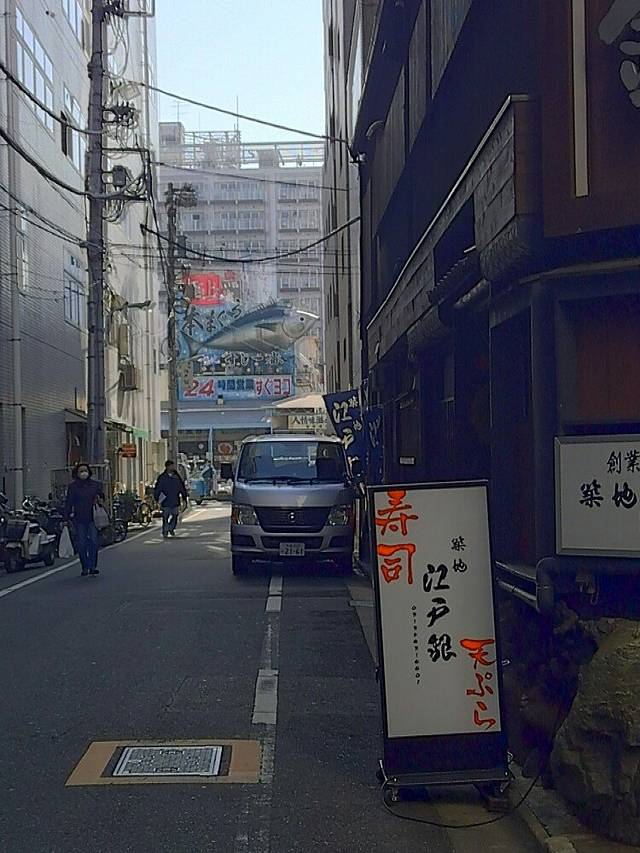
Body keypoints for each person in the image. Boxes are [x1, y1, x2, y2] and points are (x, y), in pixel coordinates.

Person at [64, 463, 104, 577]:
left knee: (94, 542)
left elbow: (102, 496)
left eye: (85, 470)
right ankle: (85, 566)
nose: (83, 473)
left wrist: (99, 499)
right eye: (81, 471)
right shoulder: (73, 487)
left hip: (93, 517)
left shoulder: (95, 485)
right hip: (79, 518)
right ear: (77, 473)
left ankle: (92, 566)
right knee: (81, 544)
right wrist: (65, 518)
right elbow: (69, 503)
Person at [154, 460, 188, 538]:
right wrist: (157, 497)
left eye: (172, 466)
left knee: (175, 515)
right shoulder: (162, 477)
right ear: (167, 467)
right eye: (170, 466)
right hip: (165, 500)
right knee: (165, 516)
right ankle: (165, 530)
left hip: (175, 499)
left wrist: (184, 496)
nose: (172, 467)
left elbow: (181, 487)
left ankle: (171, 528)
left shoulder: (176, 476)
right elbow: (158, 488)